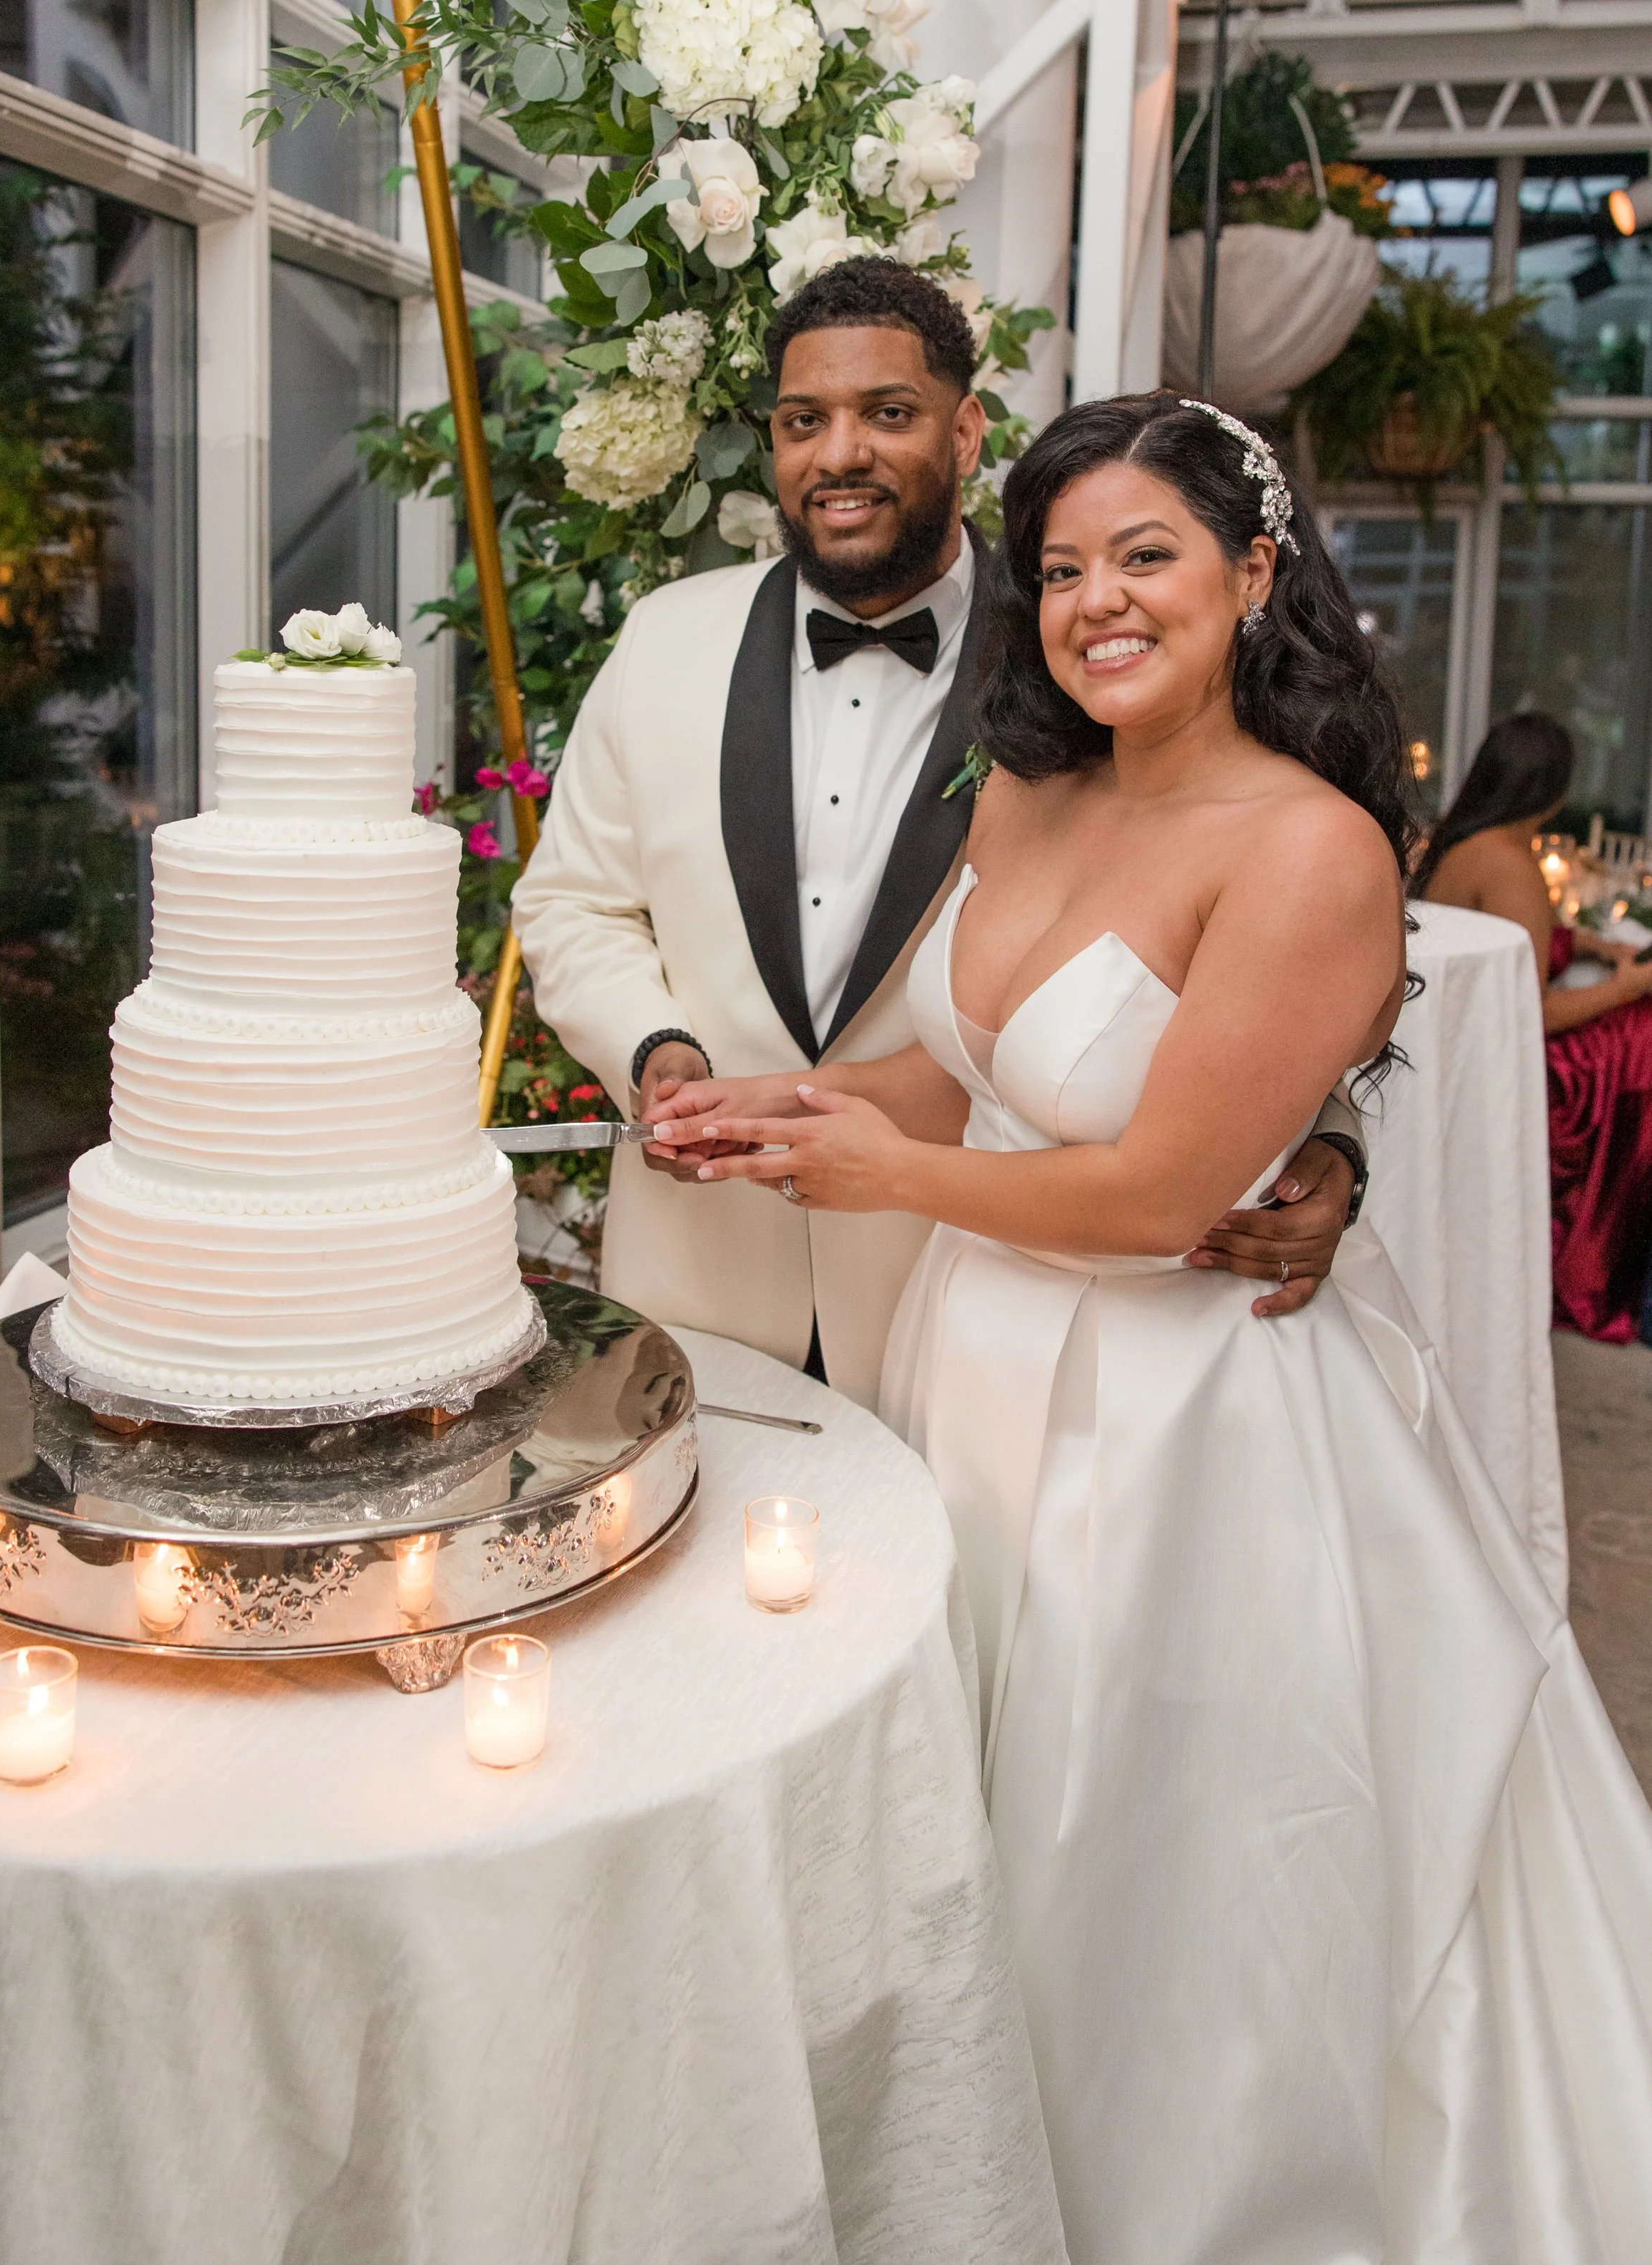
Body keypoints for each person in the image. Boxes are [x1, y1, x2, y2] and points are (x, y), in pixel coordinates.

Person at [658, 395, 1652, 2261]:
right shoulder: (1032, 785)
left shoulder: (1309, 850)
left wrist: (874, 1182)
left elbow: (1154, 1196)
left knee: (1137, 1869)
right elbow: (958, 1073)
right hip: (963, 1372)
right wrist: (789, 1104)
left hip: (1184, 1431)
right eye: (1057, 567)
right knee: (953, 1808)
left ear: (1252, 568)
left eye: (1144, 555)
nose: (1094, 601)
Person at [512, 259, 1364, 1404]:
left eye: (889, 413)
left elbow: (1252, 924)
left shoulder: (1079, 661)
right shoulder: (665, 639)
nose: (841, 453)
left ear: (966, 434)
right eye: (804, 420)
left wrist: (1331, 1138)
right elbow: (571, 901)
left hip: (974, 1288)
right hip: (702, 1265)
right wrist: (659, 1052)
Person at [1417, 712, 1652, 1341]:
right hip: (1510, 1069)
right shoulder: (1511, 864)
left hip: (1455, 1050)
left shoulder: (1467, 841)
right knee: (1642, 1038)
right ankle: (1600, 1259)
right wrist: (1625, 984)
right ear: (1554, 792)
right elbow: (1530, 1014)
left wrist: (1593, 947)